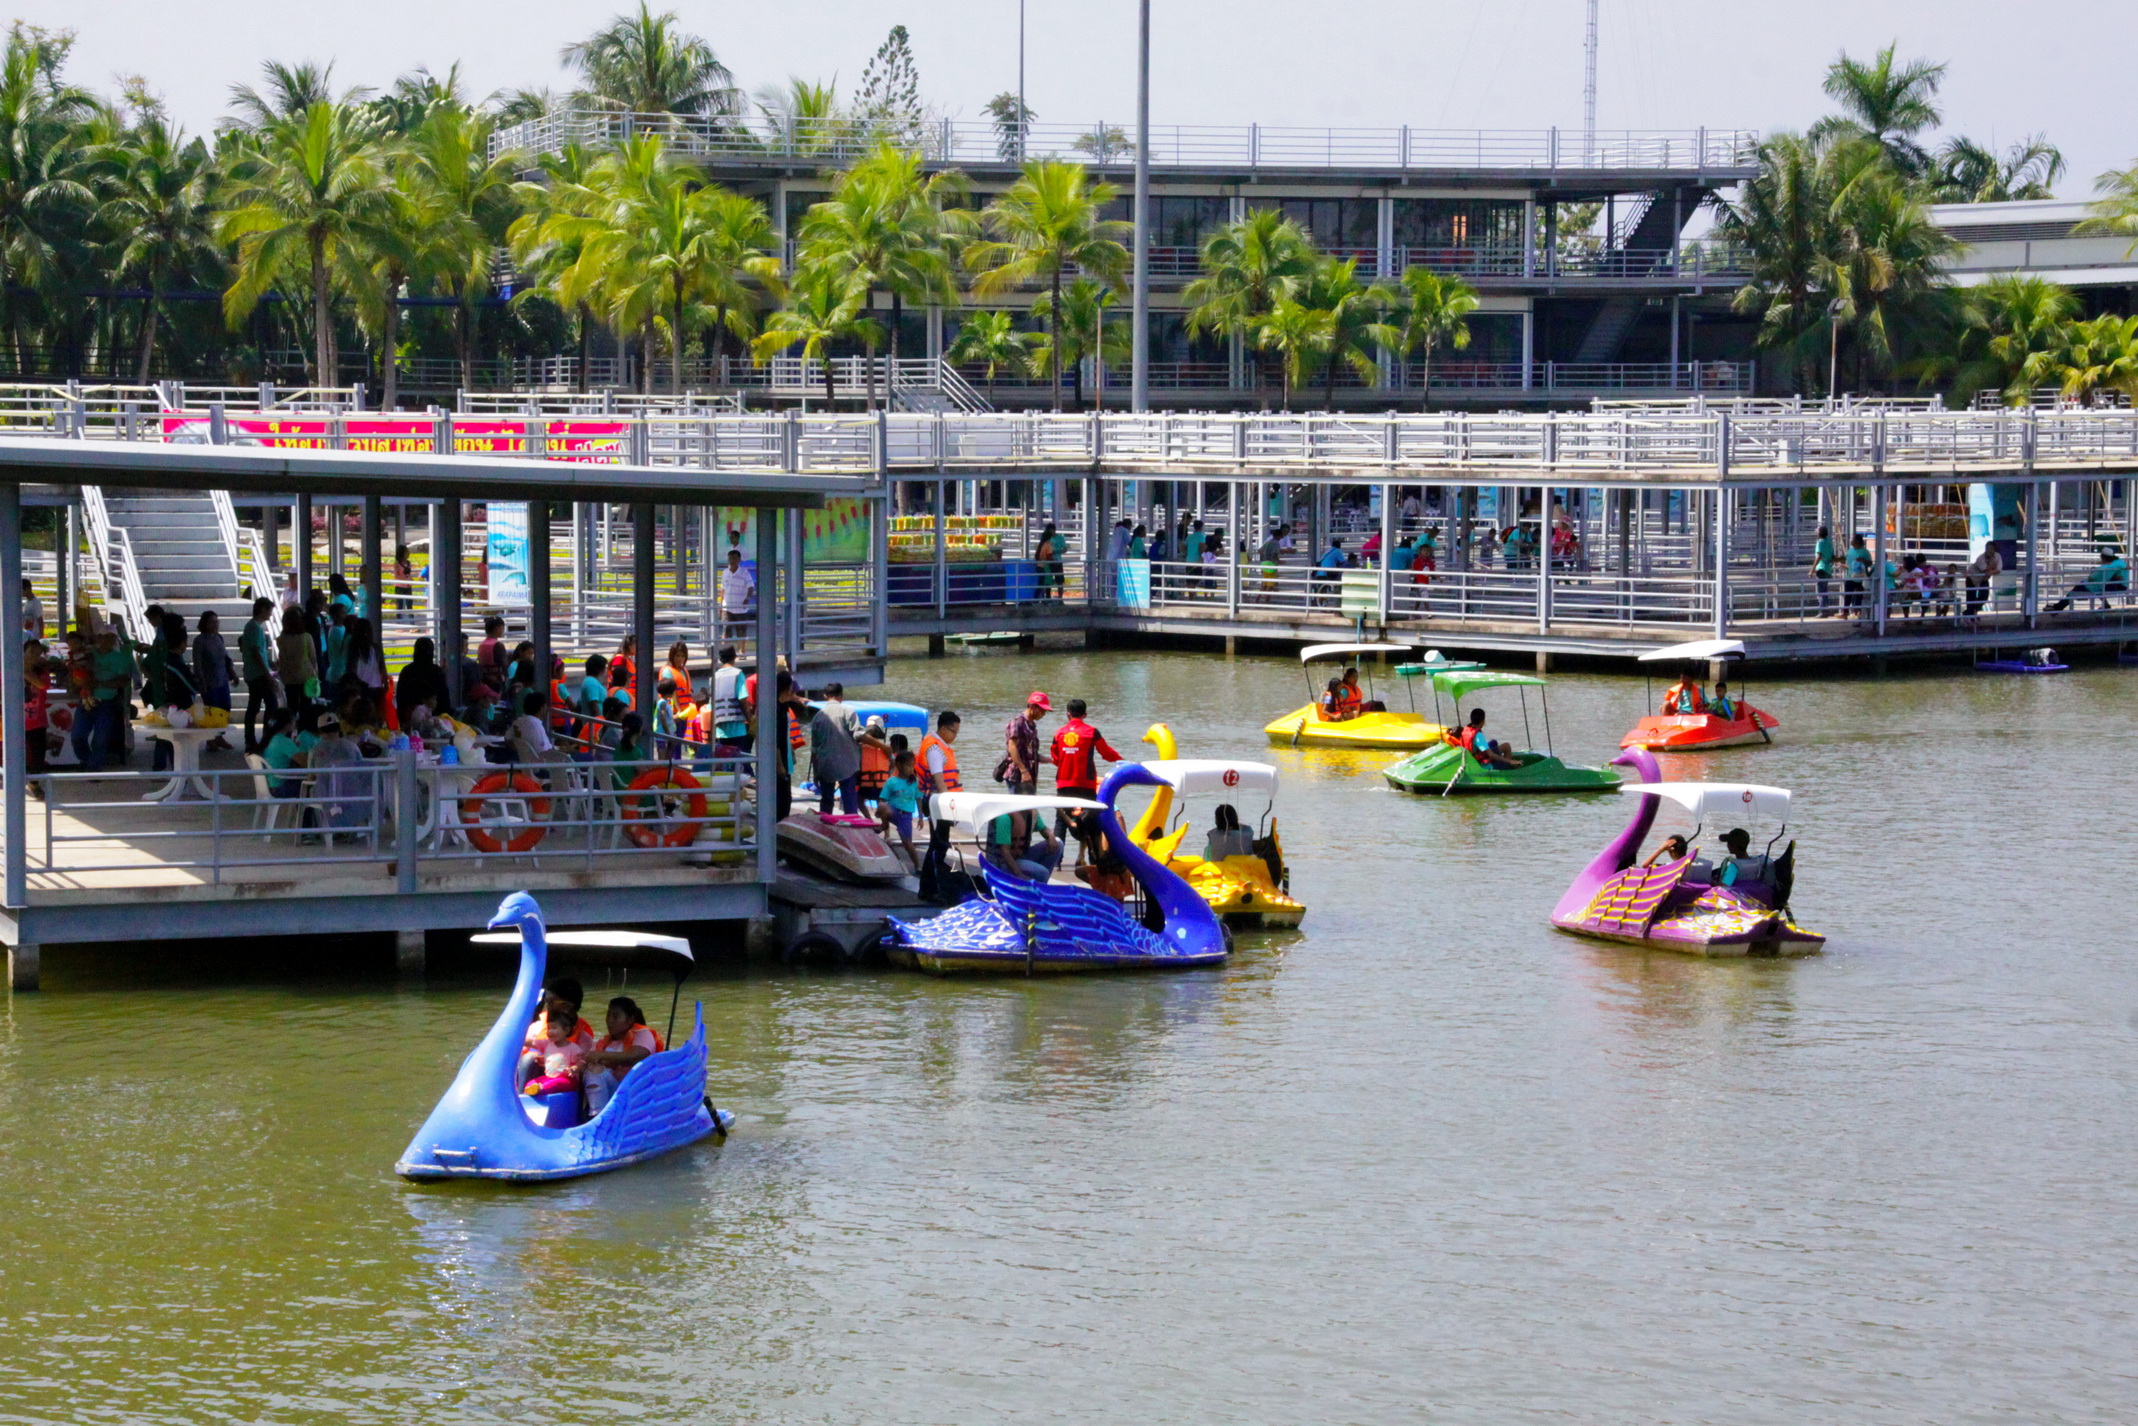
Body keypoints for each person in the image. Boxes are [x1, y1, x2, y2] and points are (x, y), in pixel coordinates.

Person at [1048, 697, 1122, 835]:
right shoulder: (1092, 732)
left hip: (1064, 783)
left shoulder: (1059, 733)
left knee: (1061, 821)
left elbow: (1056, 758)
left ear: (1068, 714)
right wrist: (1121, 760)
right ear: (1085, 715)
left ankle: (1057, 856)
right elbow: (1106, 753)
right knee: (1092, 820)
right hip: (1086, 784)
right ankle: (1094, 855)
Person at [582, 996, 661, 1114]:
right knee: (592, 1070)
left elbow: (633, 1056)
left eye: (615, 1016)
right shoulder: (603, 1043)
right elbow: (588, 1059)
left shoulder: (643, 1034)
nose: (610, 1020)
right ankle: (596, 1115)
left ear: (629, 1020)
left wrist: (602, 1056)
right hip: (613, 1091)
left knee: (596, 1070)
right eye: (608, 1015)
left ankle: (598, 1117)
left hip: (636, 1092)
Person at [917, 708, 963, 901]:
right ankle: (929, 889)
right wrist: (948, 804)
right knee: (938, 846)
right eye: (953, 731)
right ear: (943, 728)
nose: (955, 736)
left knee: (939, 845)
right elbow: (938, 778)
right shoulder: (935, 748)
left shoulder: (939, 744)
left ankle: (933, 886)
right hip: (937, 802)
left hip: (936, 801)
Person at [73, 629, 131, 771]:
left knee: (101, 739)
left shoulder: (120, 658)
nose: (109, 641)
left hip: (107, 702)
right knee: (77, 736)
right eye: (106, 637)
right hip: (86, 699)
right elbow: (76, 672)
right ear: (99, 638)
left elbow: (123, 679)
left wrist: (100, 684)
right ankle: (87, 760)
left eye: (112, 638)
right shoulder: (88, 655)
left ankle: (93, 769)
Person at [520, 1004, 589, 1100]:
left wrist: (575, 1068)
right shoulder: (547, 1043)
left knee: (556, 1083)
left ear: (566, 1030)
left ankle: (539, 1090)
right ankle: (532, 1090)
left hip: (567, 1080)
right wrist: (517, 1038)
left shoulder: (573, 1048)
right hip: (549, 1077)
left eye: (554, 1028)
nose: (550, 1031)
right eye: (548, 1028)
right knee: (530, 1083)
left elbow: (583, 1061)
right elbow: (531, 1042)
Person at [239, 598, 279, 755]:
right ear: (262, 609)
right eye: (269, 610)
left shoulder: (254, 627)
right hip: (258, 674)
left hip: (254, 673)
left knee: (254, 707)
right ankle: (265, 739)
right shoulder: (255, 628)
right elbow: (256, 652)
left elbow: (259, 651)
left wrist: (270, 663)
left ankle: (252, 741)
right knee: (271, 704)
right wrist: (267, 673)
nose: (270, 614)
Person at [875, 747, 922, 868]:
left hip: (905, 816)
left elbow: (918, 799)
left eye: (912, 766)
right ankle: (884, 825)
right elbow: (882, 799)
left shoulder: (914, 781)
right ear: (899, 765)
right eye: (908, 766)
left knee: (907, 843)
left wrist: (921, 817)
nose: (911, 769)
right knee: (881, 805)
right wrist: (879, 811)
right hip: (893, 812)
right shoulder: (891, 782)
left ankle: (917, 865)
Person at [193, 610, 233, 742]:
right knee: (212, 710)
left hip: (222, 679)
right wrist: (201, 680)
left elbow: (226, 658)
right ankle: (211, 740)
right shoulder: (199, 640)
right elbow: (197, 662)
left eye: (216, 622)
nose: (215, 625)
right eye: (212, 622)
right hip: (209, 681)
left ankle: (219, 736)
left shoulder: (218, 637)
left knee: (224, 707)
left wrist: (231, 672)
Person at [2046, 549, 2130, 612]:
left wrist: (2093, 571)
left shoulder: (2102, 568)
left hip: (2093, 587)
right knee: (2091, 588)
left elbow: (2091, 579)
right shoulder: (2117, 564)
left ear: (2103, 558)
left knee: (2072, 593)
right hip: (2105, 586)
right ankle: (2057, 607)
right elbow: (2125, 568)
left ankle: (2057, 608)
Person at [395, 638, 450, 730]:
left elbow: (400, 700)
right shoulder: (437, 672)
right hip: (436, 722)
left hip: (410, 722)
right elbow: (445, 700)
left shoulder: (407, 672)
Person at [258, 706, 309, 798]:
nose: (295, 722)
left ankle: (303, 811)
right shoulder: (284, 742)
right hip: (280, 787)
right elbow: (306, 764)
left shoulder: (270, 739)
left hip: (270, 785)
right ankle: (307, 812)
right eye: (293, 720)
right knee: (313, 785)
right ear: (287, 724)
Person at [708, 645, 748, 749]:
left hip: (720, 731)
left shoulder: (713, 677)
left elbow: (712, 706)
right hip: (738, 729)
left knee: (725, 763)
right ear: (734, 657)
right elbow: (743, 699)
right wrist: (750, 719)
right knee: (742, 762)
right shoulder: (738, 674)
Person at [339, 617, 385, 704]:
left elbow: (351, 668)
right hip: (376, 685)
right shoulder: (376, 647)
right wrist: (385, 682)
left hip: (360, 687)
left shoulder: (354, 647)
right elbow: (382, 667)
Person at [720, 548, 755, 643]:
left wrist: (747, 598)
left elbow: (751, 586)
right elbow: (722, 589)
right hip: (727, 607)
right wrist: (720, 604)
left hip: (741, 608)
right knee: (726, 630)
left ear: (739, 560)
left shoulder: (744, 572)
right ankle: (725, 651)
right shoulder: (725, 572)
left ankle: (742, 652)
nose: (732, 561)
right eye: (730, 558)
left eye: (735, 559)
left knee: (741, 631)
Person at [1964, 543, 2002, 617]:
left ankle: (1972, 611)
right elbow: (1986, 571)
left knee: (1984, 596)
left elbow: (1999, 569)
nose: (1989, 551)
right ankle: (1970, 615)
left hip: (1983, 579)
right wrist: (1992, 568)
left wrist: (1992, 571)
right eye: (1988, 548)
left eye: (1991, 548)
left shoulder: (1997, 556)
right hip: (1972, 577)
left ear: (1994, 549)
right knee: (1971, 596)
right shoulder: (1980, 558)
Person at [1843, 534, 1872, 615]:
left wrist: (1863, 560)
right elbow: (1846, 559)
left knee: (1858, 597)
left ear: (1858, 541)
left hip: (1859, 578)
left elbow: (1870, 563)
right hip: (1850, 577)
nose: (1851, 541)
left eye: (1853, 539)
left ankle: (1857, 613)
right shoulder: (1850, 550)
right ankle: (1845, 612)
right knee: (1847, 595)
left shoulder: (1865, 552)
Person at [1810, 524, 1835, 616]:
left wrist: (1812, 570)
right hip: (1827, 569)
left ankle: (1822, 611)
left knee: (1820, 591)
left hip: (1821, 568)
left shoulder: (1820, 543)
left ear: (1819, 533)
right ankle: (1825, 609)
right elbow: (1832, 557)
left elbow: (1819, 557)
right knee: (1824, 590)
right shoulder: (1829, 542)